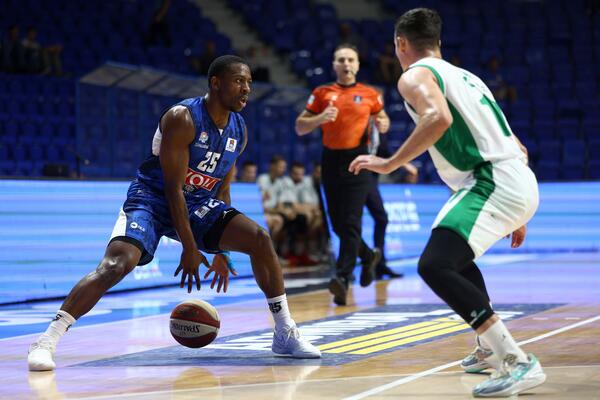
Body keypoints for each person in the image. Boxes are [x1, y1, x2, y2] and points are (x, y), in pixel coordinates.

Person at [27, 55, 321, 372]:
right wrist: (190, 247)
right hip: (151, 199)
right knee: (116, 265)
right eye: (239, 81)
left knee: (260, 239)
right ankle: (47, 340)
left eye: (249, 82)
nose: (246, 89)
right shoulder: (183, 118)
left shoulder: (239, 128)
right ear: (215, 83)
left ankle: (284, 332)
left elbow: (222, 189)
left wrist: (221, 251)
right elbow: (172, 189)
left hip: (198, 203)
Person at [349, 8, 544, 397]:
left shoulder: (414, 75)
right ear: (438, 42)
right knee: (456, 259)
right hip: (513, 178)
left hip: (490, 180)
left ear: (400, 44)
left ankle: (516, 360)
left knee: (434, 265)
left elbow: (437, 118)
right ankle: (488, 347)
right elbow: (515, 143)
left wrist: (388, 163)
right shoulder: (469, 77)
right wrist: (515, 211)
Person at [295, 44, 388, 306]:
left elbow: (383, 119)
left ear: (357, 65)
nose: (346, 63)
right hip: (331, 160)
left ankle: (342, 278)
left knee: (351, 223)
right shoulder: (322, 93)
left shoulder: (370, 94)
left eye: (350, 59)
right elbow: (300, 126)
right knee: (338, 225)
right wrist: (320, 118)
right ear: (334, 65)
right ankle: (368, 256)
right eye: (341, 60)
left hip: (358, 160)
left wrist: (383, 123)